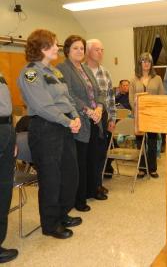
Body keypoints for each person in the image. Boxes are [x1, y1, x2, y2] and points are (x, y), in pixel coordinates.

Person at [17, 29, 82, 239]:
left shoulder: (55, 72)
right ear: (42, 48)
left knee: (69, 174)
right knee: (51, 179)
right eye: (53, 44)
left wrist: (75, 116)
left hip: (63, 127)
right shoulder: (31, 73)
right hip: (45, 129)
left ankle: (62, 214)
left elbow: (67, 98)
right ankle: (50, 224)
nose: (57, 48)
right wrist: (68, 120)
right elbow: (43, 106)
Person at [57, 35, 108, 212]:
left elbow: (99, 91)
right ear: (67, 51)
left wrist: (100, 108)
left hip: (95, 119)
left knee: (93, 158)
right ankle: (78, 199)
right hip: (79, 120)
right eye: (75, 48)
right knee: (80, 162)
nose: (79, 51)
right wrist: (88, 110)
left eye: (81, 48)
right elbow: (69, 95)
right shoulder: (62, 68)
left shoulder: (85, 68)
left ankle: (92, 190)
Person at [84, 39, 117, 178]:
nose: (100, 53)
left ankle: (98, 182)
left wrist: (112, 118)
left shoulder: (105, 72)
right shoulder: (81, 71)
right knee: (88, 154)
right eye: (97, 49)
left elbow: (111, 97)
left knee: (101, 152)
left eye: (102, 50)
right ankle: (90, 185)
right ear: (88, 51)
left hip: (103, 118)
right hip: (86, 118)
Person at [129, 52, 164, 178]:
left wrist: (157, 111)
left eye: (148, 61)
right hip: (139, 115)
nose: (146, 63)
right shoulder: (133, 79)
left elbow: (161, 97)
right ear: (140, 63)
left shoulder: (158, 79)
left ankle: (153, 168)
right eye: (144, 61)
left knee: (153, 142)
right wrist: (137, 111)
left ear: (151, 64)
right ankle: (142, 168)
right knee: (140, 143)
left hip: (153, 115)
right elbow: (130, 98)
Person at [0, 71, 18, 263]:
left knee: (4, 191)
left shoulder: (2, 74)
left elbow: (8, 108)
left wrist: (12, 136)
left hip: (5, 132)